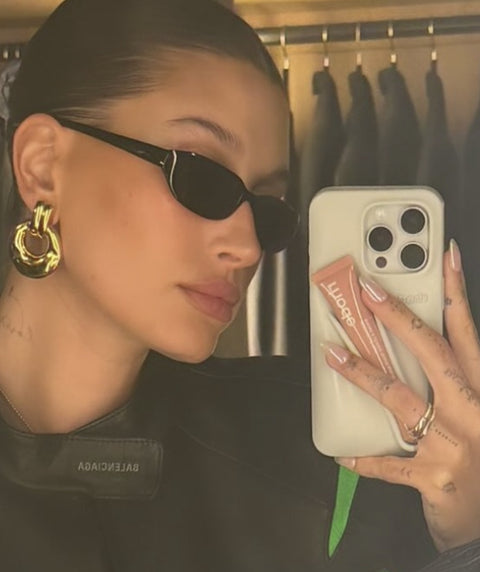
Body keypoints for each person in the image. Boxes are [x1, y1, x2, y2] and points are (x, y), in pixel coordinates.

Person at [0, 0, 478, 570]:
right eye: (200, 176)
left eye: (267, 207)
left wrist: (466, 539)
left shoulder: (318, 454)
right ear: (42, 167)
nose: (249, 247)